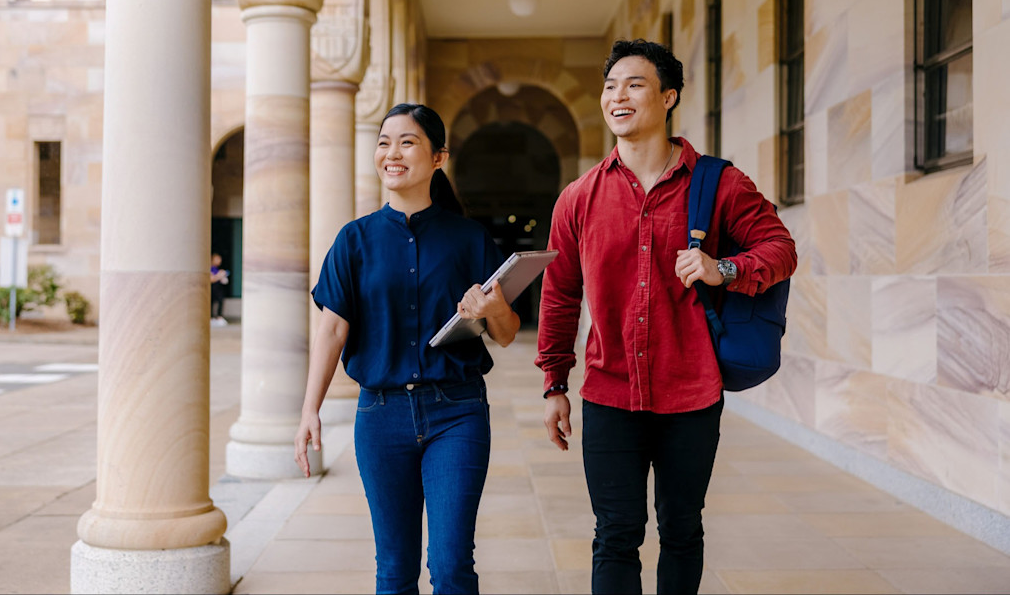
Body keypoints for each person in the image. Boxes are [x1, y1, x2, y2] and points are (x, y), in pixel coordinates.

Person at [536, 39, 797, 595]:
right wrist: (555, 383)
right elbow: (559, 295)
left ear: (668, 96)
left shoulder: (719, 183)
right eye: (609, 86)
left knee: (682, 530)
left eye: (634, 83)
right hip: (608, 393)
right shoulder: (578, 198)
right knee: (615, 534)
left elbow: (780, 249)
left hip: (692, 392)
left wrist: (722, 268)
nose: (617, 95)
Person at [295, 103, 521, 595]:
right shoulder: (353, 241)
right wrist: (310, 409)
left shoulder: (469, 239)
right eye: (384, 141)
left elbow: (505, 332)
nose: (391, 152)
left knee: (451, 565)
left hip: (457, 413)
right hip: (380, 417)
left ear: (438, 158)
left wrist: (490, 308)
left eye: (407, 141)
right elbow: (332, 331)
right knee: (394, 569)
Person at [210, 252, 229, 326]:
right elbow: (211, 279)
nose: (219, 261)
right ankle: (211, 317)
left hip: (218, 288)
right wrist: (219, 275)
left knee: (220, 301)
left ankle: (219, 316)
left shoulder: (217, 269)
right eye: (217, 259)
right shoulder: (210, 268)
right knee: (211, 302)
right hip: (212, 288)